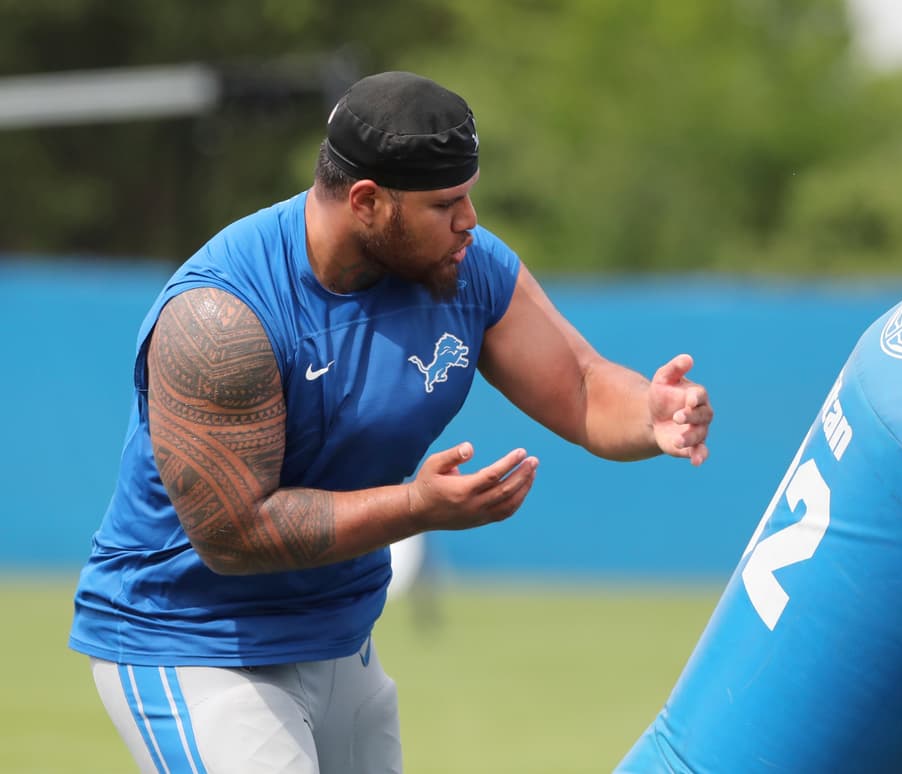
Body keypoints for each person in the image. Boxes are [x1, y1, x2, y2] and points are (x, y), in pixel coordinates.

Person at [68, 70, 713, 774]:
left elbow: (584, 387)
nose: (470, 220)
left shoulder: (468, 266)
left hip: (342, 634)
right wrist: (417, 507)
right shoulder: (222, 318)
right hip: (195, 639)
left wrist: (651, 416)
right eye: (446, 203)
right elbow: (235, 536)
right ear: (368, 202)